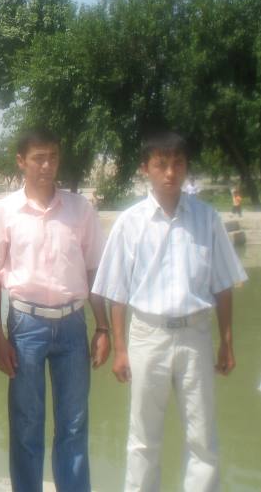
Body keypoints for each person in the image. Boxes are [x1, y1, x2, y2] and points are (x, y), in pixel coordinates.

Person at [92, 131, 247, 492]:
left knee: (202, 435)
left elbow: (223, 285)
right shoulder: (130, 223)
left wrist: (227, 341)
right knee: (143, 437)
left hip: (196, 335)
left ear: (186, 167)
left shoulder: (207, 219)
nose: (170, 172)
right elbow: (117, 291)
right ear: (145, 168)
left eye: (177, 163)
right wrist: (120, 348)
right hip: (148, 334)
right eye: (161, 164)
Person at [0, 128, 110, 492]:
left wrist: (103, 327)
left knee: (74, 424)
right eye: (38, 157)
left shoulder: (80, 209)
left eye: (52, 156)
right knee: (26, 425)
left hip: (72, 325)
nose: (47, 165)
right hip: (25, 325)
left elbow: (94, 270)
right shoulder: (3, 213)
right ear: (21, 161)